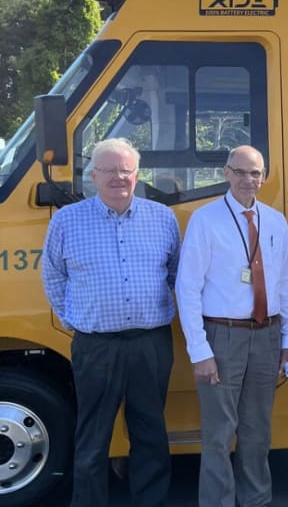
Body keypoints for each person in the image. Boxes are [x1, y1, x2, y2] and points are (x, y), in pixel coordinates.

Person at [41, 138, 180, 507]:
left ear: (137, 175)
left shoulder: (162, 218)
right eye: (109, 170)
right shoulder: (67, 220)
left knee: (151, 433)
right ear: (93, 176)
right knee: (93, 438)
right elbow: (53, 277)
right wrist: (74, 319)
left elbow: (175, 273)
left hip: (151, 343)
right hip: (96, 346)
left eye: (126, 170)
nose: (118, 177)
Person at [175, 145, 288, 507]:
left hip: (267, 336)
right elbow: (188, 288)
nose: (249, 180)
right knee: (218, 434)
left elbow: (287, 287)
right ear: (227, 173)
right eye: (241, 172)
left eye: (256, 173)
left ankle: (257, 501)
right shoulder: (205, 219)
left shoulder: (275, 221)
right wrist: (200, 352)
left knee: (258, 432)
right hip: (222, 337)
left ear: (264, 177)